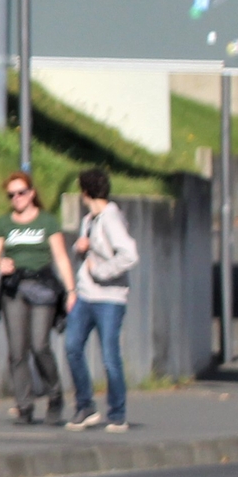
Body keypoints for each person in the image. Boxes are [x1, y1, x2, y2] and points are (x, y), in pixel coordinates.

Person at [0, 171, 73, 425]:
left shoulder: (47, 221)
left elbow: (61, 257)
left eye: (21, 193)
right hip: (14, 288)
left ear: (32, 193)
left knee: (39, 345)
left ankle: (54, 395)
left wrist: (70, 290)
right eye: (11, 195)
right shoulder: (4, 223)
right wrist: (0, 263)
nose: (17, 198)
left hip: (43, 287)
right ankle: (24, 405)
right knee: (16, 350)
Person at [65, 166, 138, 432]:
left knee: (109, 355)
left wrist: (102, 272)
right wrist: (79, 248)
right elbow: (86, 251)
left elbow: (129, 254)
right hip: (86, 295)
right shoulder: (89, 220)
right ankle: (85, 406)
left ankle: (117, 413)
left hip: (110, 298)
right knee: (72, 346)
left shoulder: (111, 218)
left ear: (85, 192)